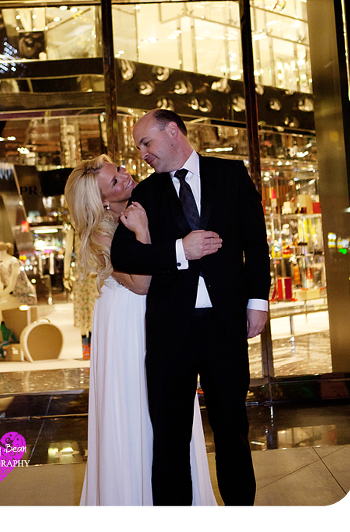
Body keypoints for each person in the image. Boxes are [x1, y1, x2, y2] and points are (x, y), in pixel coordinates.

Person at [111, 110, 271, 509]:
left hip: (225, 327)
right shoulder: (146, 193)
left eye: (146, 142)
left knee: (232, 429)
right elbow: (123, 254)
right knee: (170, 438)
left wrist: (258, 302)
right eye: (139, 147)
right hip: (170, 333)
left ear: (173, 131)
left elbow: (257, 244)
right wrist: (180, 250)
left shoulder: (231, 175)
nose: (143, 153)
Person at [64, 155, 218, 508]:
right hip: (127, 322)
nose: (126, 176)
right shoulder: (101, 234)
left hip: (160, 314)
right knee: (137, 407)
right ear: (102, 200)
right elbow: (142, 284)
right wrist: (143, 232)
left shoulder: (146, 204)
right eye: (114, 181)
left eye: (119, 169)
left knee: (171, 408)